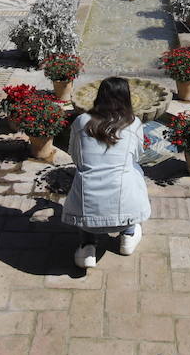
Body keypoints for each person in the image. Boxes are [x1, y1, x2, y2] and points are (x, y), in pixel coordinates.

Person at [61, 77, 151, 269]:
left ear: (99, 95)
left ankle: (87, 248)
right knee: (135, 170)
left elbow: (75, 158)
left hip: (86, 217)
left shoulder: (80, 122)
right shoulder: (133, 124)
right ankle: (127, 235)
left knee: (83, 174)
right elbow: (137, 156)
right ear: (127, 98)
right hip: (125, 211)